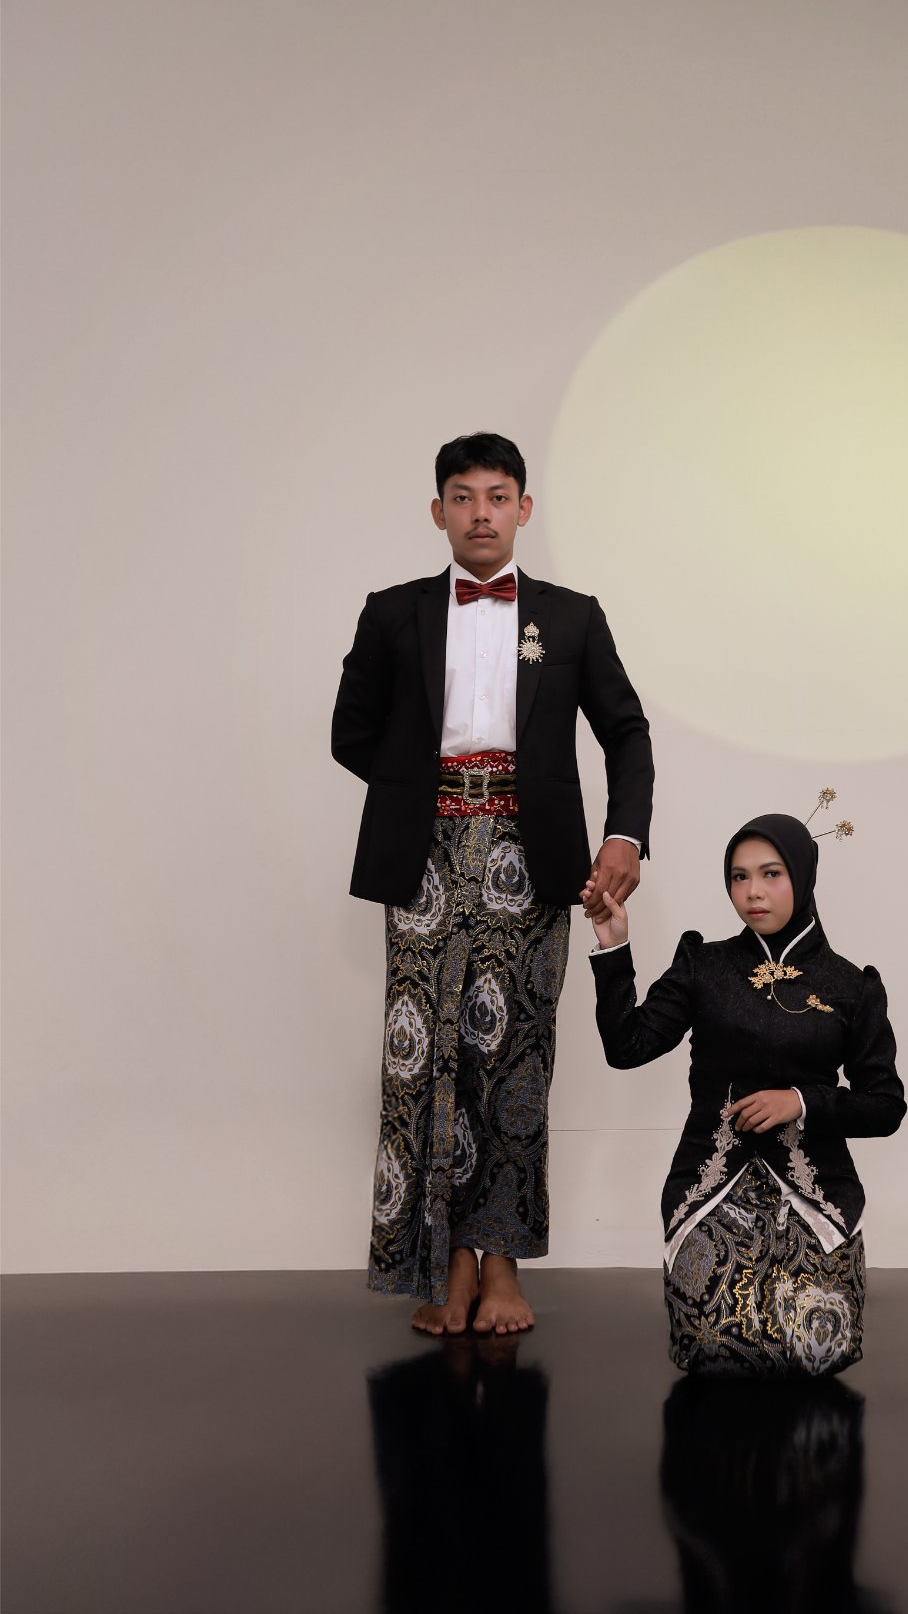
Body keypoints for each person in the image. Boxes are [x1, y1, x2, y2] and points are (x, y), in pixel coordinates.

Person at [333, 432, 653, 1336]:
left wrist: (624, 835)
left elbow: (626, 732)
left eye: (498, 496)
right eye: (464, 497)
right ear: (438, 511)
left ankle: (500, 1260)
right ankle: (444, 1263)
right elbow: (351, 732)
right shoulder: (392, 613)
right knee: (425, 1053)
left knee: (512, 1055)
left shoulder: (573, 616)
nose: (481, 513)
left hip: (531, 851)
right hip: (424, 854)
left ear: (524, 508)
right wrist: (419, 791)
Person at [589, 812, 904, 1375]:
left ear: (802, 876)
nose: (753, 891)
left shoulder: (850, 986)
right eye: (739, 876)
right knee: (712, 1345)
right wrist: (614, 947)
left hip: (816, 1196)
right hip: (710, 1189)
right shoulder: (703, 965)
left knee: (817, 1347)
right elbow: (627, 1046)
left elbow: (885, 1106)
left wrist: (801, 1102)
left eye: (771, 874)